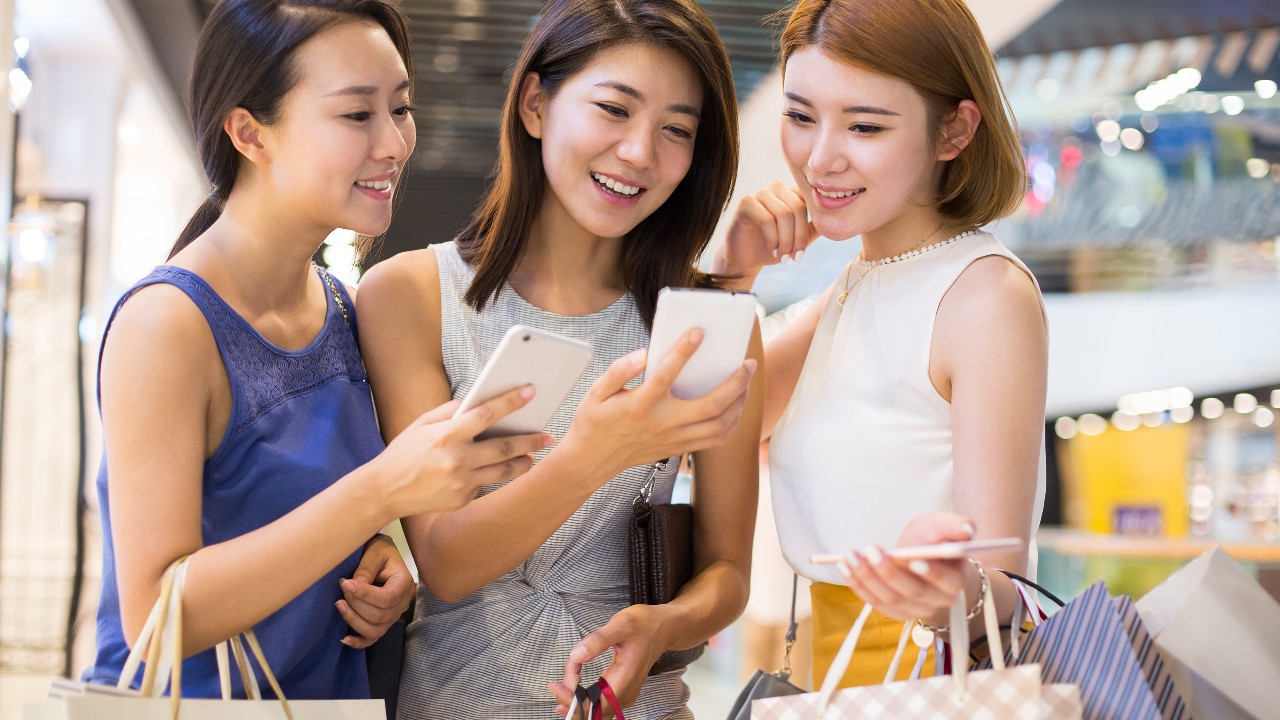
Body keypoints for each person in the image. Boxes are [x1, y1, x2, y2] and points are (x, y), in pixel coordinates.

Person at [84, 0, 547, 700]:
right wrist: (379, 494)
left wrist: (383, 558)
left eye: (401, 108)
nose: (393, 143)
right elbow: (158, 610)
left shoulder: (338, 308)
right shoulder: (168, 325)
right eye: (357, 115)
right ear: (249, 132)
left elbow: (295, 517)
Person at [355, 0, 762, 716]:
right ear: (536, 103)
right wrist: (596, 453)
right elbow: (447, 561)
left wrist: (668, 621)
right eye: (614, 109)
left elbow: (728, 571)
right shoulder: (410, 295)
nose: (639, 152)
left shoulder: (704, 323)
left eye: (676, 130)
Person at [712, 0, 1048, 689]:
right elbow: (697, 421)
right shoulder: (852, 286)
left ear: (954, 129)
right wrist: (731, 275)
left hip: (926, 684)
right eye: (801, 116)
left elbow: (1005, 588)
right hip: (816, 680)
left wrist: (945, 583)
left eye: (864, 125)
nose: (820, 157)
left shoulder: (984, 296)